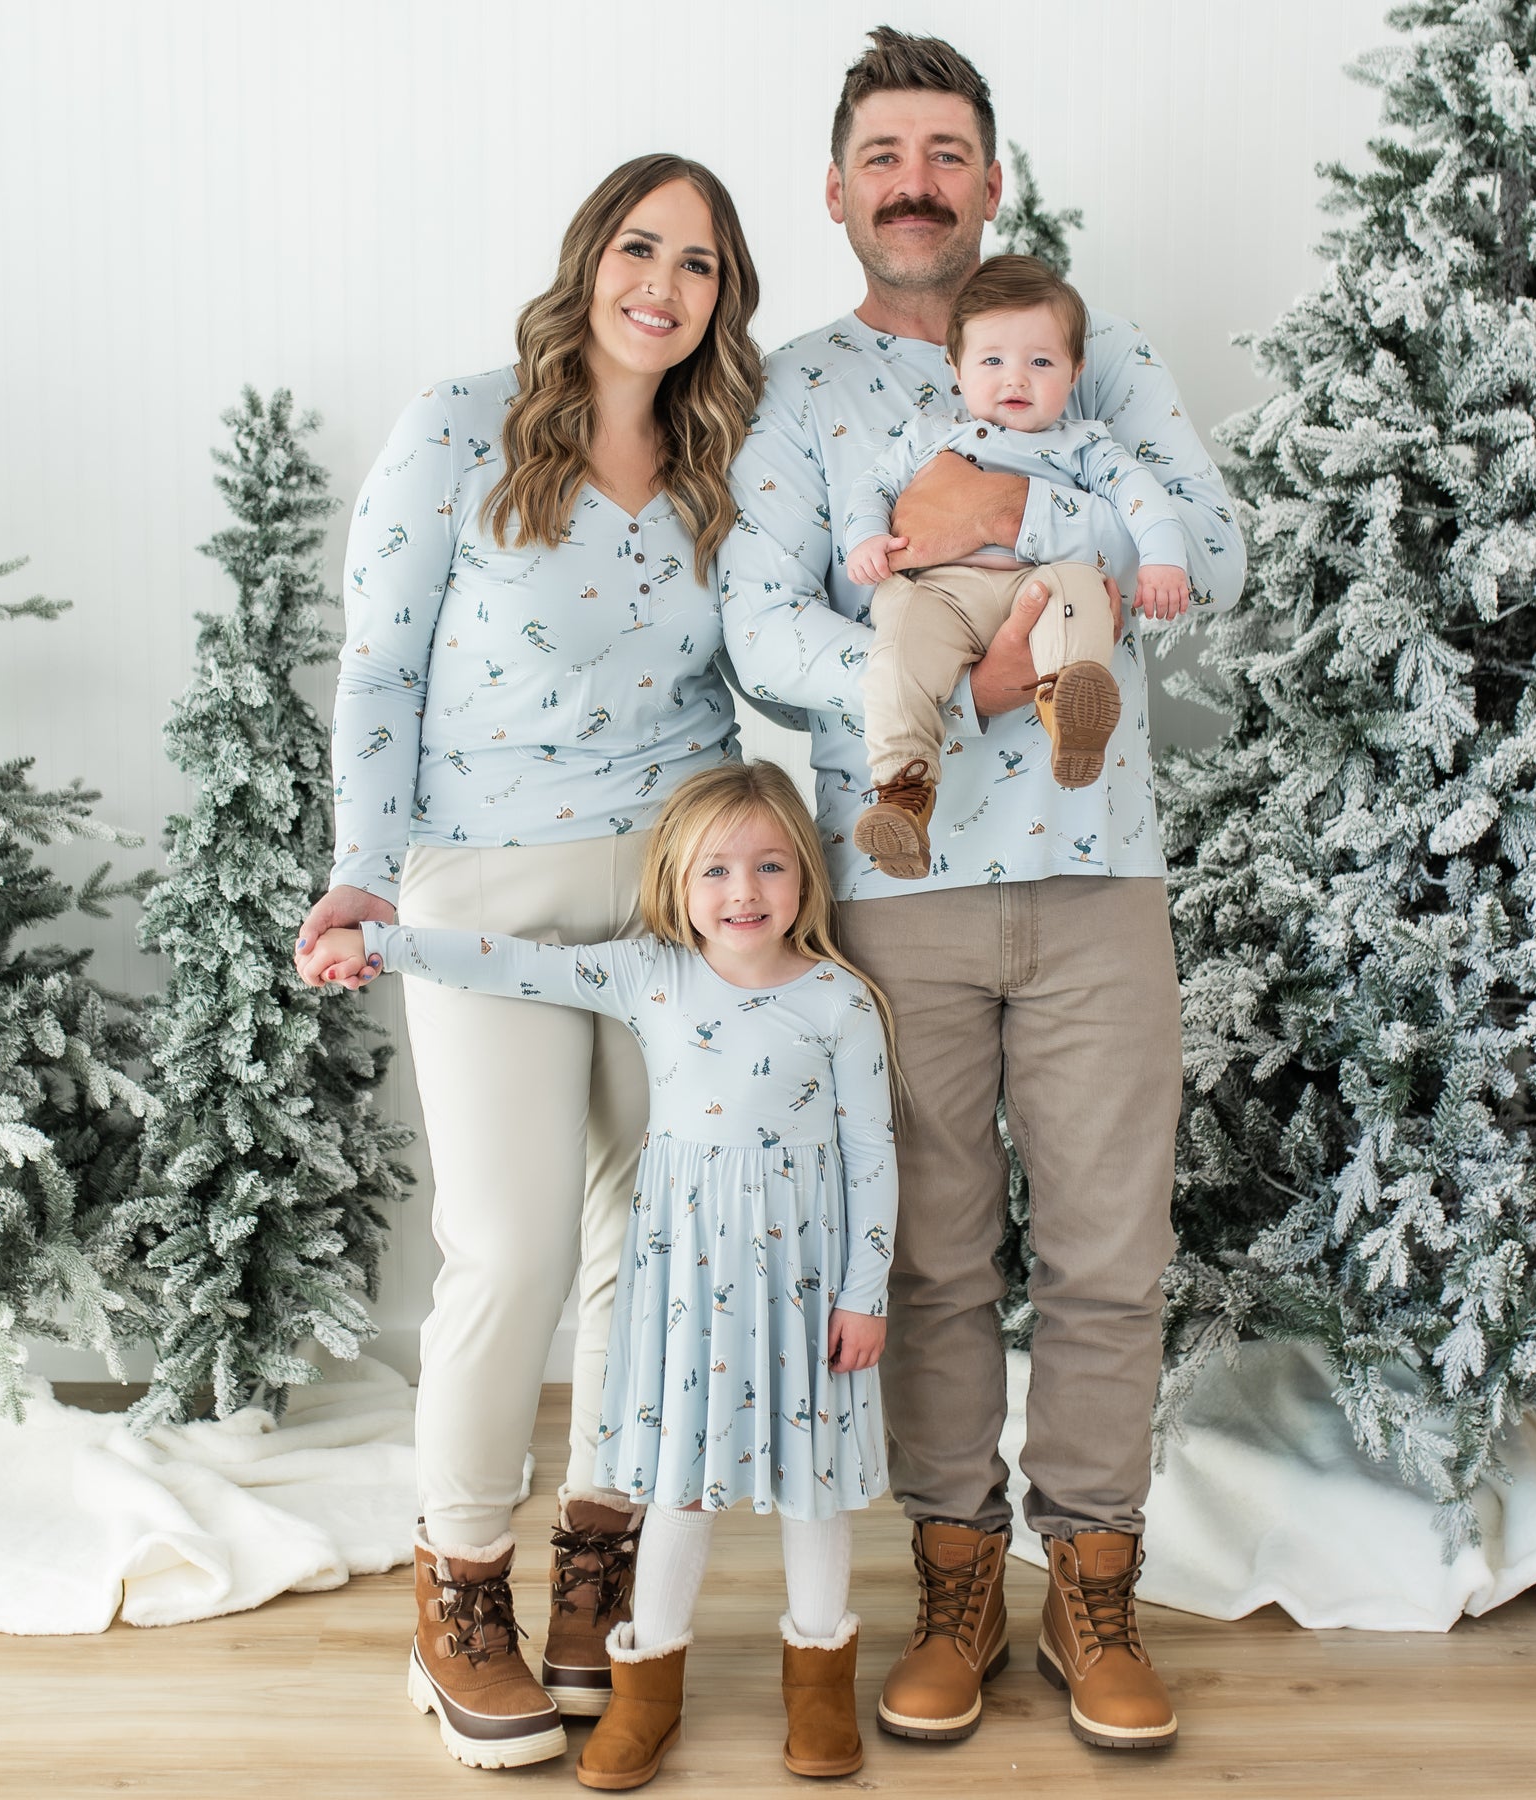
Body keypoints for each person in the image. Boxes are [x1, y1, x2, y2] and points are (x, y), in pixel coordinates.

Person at [719, 27, 1245, 1754]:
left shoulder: (1094, 360)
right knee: (934, 1259)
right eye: (886, 154)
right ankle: (954, 1581)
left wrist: (1028, 554)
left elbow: (1213, 553)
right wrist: (960, 676)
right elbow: (761, 618)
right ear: (839, 191)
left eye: (946, 151)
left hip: (1102, 880)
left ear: (991, 181)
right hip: (898, 880)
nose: (916, 181)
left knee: (1108, 1254)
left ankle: (1092, 1587)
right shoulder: (797, 390)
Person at [294, 153, 764, 1769]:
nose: (665, 284)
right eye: (641, 248)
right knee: (509, 1250)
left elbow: (761, 667)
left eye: (699, 264)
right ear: (588, 262)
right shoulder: (460, 425)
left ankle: (598, 1563)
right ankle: (460, 1586)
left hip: (669, 892)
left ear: (724, 297)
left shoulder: (722, 457)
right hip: (482, 883)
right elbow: (379, 668)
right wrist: (363, 874)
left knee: (649, 1241)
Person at [304, 760, 898, 1788]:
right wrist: (381, 940)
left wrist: (863, 1293)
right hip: (695, 1299)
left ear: (806, 873)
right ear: (673, 881)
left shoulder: (840, 1002)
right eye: (715, 870)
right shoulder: (651, 974)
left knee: (814, 1494)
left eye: (768, 865)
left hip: (804, 1298)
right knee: (676, 1489)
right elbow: (509, 962)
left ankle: (819, 1697)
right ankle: (645, 1694)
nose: (743, 892)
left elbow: (874, 1154)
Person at [843, 253, 1190, 877]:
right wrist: (866, 537)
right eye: (993, 360)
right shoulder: (930, 436)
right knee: (895, 641)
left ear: (1075, 369)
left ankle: (1070, 706)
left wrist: (1164, 559)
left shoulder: (1084, 445)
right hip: (945, 593)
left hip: (1040, 582)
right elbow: (871, 488)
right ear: (956, 366)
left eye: (1041, 362)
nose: (1017, 379)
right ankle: (902, 791)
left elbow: (1144, 499)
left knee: (1082, 588)